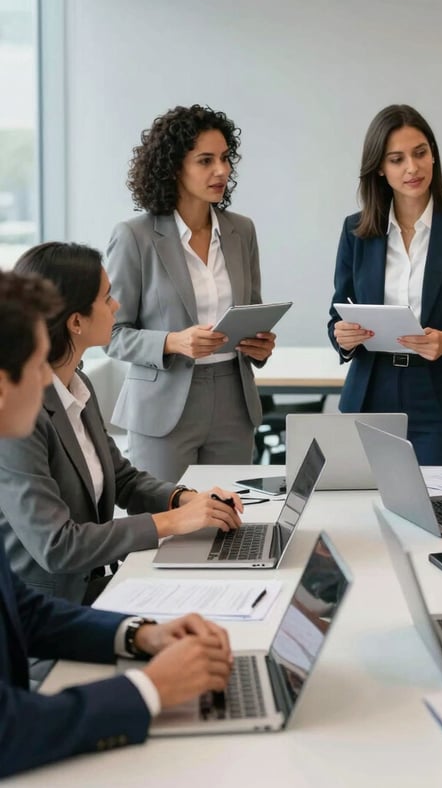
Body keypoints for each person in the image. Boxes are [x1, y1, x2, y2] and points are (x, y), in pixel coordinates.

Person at [0, 269, 233, 778]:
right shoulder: (22, 432)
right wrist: (150, 689)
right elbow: (7, 730)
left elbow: (25, 612)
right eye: (38, 365)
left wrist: (140, 636)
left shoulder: (74, 387)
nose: (46, 382)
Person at [0, 242, 243, 607]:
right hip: (51, 612)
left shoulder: (78, 387)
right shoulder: (20, 418)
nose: (116, 306)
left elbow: (123, 478)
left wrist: (185, 499)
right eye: (107, 297)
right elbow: (58, 546)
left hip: (99, 586)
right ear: (76, 321)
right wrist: (173, 522)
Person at [105, 104, 275, 482]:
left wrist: (260, 346)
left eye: (225, 158)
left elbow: (253, 312)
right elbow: (112, 334)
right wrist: (173, 342)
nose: (222, 170)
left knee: (229, 520)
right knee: (167, 524)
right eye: (205, 160)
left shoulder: (241, 231)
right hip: (163, 404)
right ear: (174, 167)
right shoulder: (135, 236)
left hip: (234, 398)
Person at [328, 104, 442, 465]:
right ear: (380, 167)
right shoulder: (356, 231)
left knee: (436, 511)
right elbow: (336, 315)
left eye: (421, 153)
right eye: (397, 159)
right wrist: (341, 337)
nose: (413, 167)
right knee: (366, 509)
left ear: (434, 155)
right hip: (371, 392)